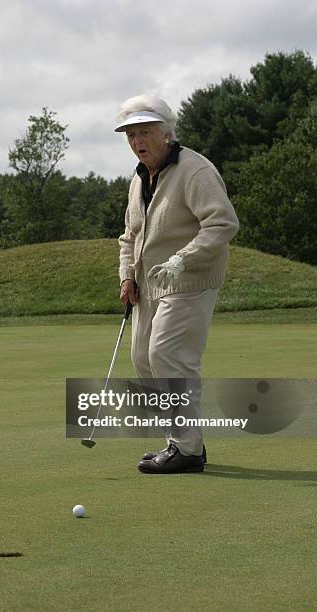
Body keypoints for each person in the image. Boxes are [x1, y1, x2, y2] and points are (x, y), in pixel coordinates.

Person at [116, 94, 239, 474]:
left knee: (168, 357)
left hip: (190, 280)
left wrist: (182, 259)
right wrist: (126, 275)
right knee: (143, 359)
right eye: (131, 134)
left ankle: (187, 448)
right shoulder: (139, 180)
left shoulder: (194, 170)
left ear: (167, 133)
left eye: (146, 131)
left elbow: (222, 224)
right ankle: (179, 442)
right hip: (150, 283)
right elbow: (129, 235)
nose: (138, 141)